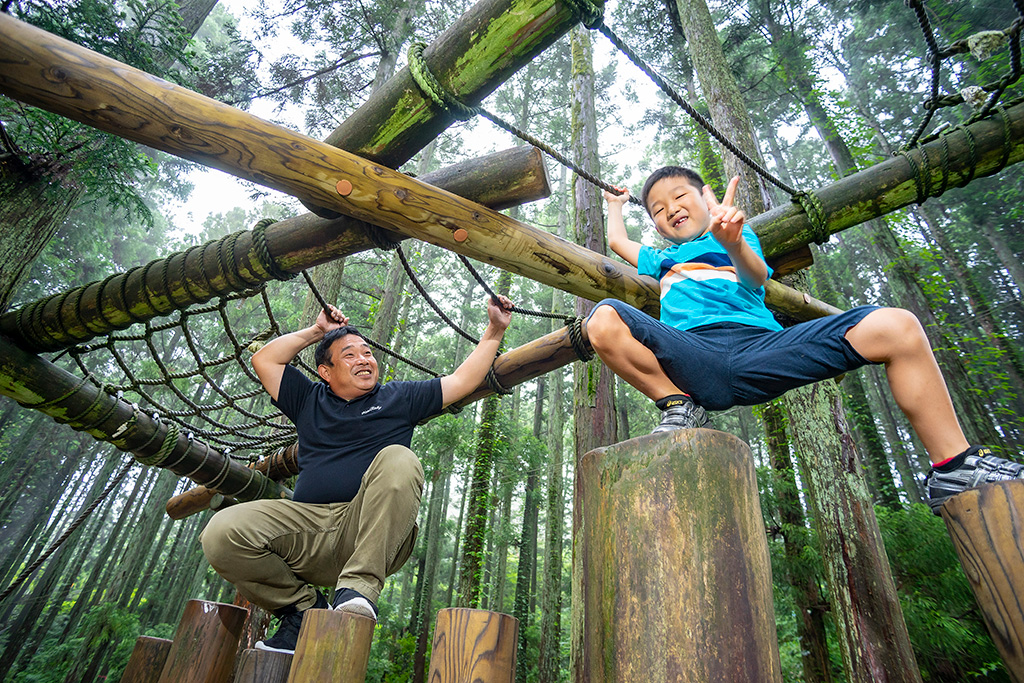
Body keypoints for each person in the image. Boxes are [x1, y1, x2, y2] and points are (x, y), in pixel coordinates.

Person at [586, 165, 1022, 513]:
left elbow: (754, 278)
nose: (669, 209)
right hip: (693, 355)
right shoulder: (661, 258)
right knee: (602, 319)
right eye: (658, 210)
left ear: (706, 198)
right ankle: (679, 405)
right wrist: (615, 204)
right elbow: (616, 240)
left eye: (679, 196)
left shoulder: (737, 234)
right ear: (659, 229)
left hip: (760, 348)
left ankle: (954, 466)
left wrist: (733, 242)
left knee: (898, 326)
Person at [201, 295, 514, 654]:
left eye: (366, 352)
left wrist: (494, 330)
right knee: (221, 533)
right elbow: (265, 359)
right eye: (349, 354)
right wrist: (318, 330)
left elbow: (462, 381)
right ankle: (302, 611)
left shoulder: (399, 398)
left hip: (370, 529)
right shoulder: (308, 399)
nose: (364, 359)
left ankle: (358, 591)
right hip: (306, 534)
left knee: (400, 458)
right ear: (326, 372)